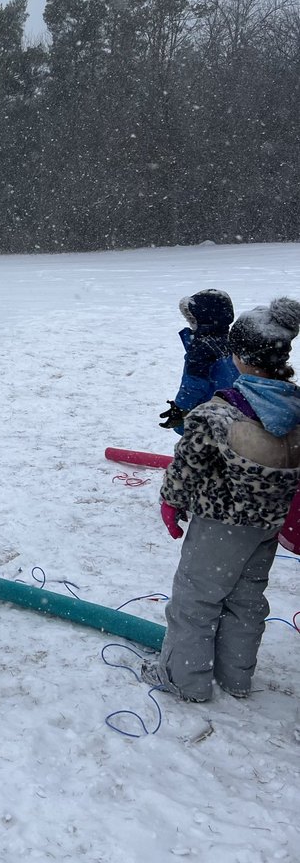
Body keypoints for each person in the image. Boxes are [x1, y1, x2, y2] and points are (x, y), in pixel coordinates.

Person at [143, 296, 300, 702]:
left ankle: (185, 681)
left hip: (220, 524)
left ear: (241, 357)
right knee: (247, 601)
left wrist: (170, 502)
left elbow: (187, 467)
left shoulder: (218, 413)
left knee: (195, 601)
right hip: (267, 524)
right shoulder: (297, 409)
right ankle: (236, 677)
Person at [159, 289, 238, 434]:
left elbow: (194, 385)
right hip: (231, 408)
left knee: (200, 443)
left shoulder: (201, 349)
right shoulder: (231, 341)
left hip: (206, 412)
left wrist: (180, 408)